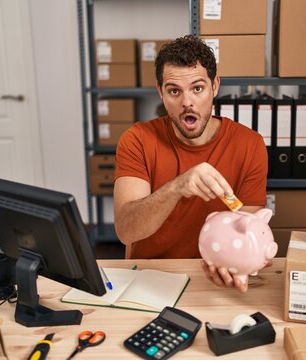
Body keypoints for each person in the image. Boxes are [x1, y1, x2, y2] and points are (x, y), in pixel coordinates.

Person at [113, 35, 268, 292]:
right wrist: (178, 187)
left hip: (214, 276)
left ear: (215, 86)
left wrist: (238, 263)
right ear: (160, 92)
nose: (187, 102)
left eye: (198, 88)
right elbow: (126, 231)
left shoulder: (250, 144)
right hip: (149, 278)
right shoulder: (136, 140)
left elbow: (248, 231)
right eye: (174, 91)